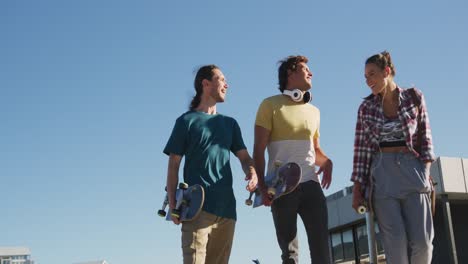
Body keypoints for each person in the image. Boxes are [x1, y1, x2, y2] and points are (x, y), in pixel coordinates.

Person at [163, 64, 258, 264]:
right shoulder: (186, 121)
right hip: (196, 209)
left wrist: (252, 171)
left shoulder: (230, 124)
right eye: (221, 79)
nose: (227, 84)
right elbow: (173, 166)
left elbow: (244, 157)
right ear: (206, 84)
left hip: (227, 211)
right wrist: (173, 205)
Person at [351, 51, 435, 264]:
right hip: (382, 175)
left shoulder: (414, 97)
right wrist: (358, 188)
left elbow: (425, 138)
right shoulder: (366, 108)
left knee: (423, 243)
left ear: (386, 71)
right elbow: (361, 150)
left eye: (372, 74)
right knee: (395, 244)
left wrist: (424, 172)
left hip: (412, 170)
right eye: (365, 77)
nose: (368, 81)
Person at [253, 55, 333, 264]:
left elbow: (314, 150)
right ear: (290, 73)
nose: (311, 73)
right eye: (305, 69)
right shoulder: (269, 105)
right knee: (290, 255)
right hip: (281, 187)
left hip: (311, 186)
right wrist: (262, 186)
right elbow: (258, 149)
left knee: (322, 251)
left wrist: (327, 162)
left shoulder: (314, 111)